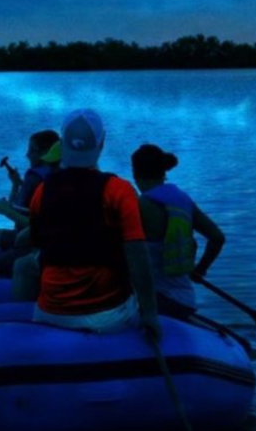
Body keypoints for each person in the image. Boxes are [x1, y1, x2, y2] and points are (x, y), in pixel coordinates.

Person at [27, 109, 161, 339]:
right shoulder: (119, 190)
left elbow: (37, 248)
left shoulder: (42, 190)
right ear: (102, 143)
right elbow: (138, 257)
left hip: (48, 312)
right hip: (106, 315)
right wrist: (150, 314)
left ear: (63, 144)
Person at [131, 143, 225, 319]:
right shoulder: (182, 200)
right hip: (185, 299)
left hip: (155, 300)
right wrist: (200, 270)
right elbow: (217, 238)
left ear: (135, 174)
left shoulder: (141, 205)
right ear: (163, 172)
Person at [0, 131, 60, 277]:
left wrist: (5, 210)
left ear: (45, 153)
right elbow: (23, 209)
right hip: (42, 241)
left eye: (32, 150)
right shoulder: (57, 176)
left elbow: (32, 224)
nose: (27, 155)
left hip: (31, 244)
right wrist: (16, 184)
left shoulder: (34, 178)